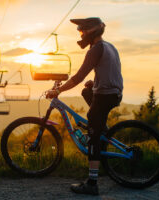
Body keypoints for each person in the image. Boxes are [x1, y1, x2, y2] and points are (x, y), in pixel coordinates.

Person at [46, 17, 123, 195]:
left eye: (82, 31)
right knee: (86, 92)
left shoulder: (95, 50)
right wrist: (95, 82)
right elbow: (109, 70)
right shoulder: (109, 46)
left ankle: (92, 183)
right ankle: (100, 127)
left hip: (106, 95)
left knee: (92, 136)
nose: (81, 34)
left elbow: (78, 77)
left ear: (91, 31)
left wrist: (58, 91)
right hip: (114, 92)